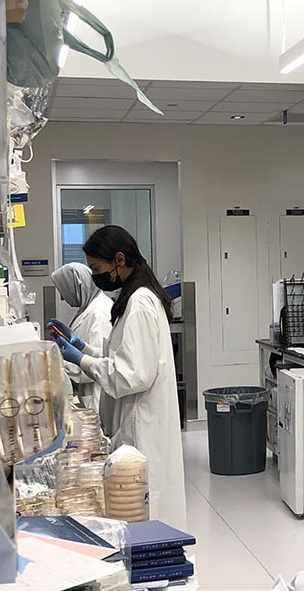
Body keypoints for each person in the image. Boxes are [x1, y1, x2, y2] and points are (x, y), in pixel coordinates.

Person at [48, 225, 187, 530]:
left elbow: (130, 375)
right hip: (139, 417)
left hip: (142, 423)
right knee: (144, 504)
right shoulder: (136, 297)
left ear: (119, 260)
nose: (95, 275)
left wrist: (81, 360)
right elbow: (124, 358)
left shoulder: (139, 302)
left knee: (146, 507)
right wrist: (83, 347)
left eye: (97, 268)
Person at [50, 263, 113, 415]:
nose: (62, 298)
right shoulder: (88, 308)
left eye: (63, 291)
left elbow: (101, 364)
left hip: (97, 398)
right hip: (87, 395)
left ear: (77, 286)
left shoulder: (101, 313)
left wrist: (62, 364)